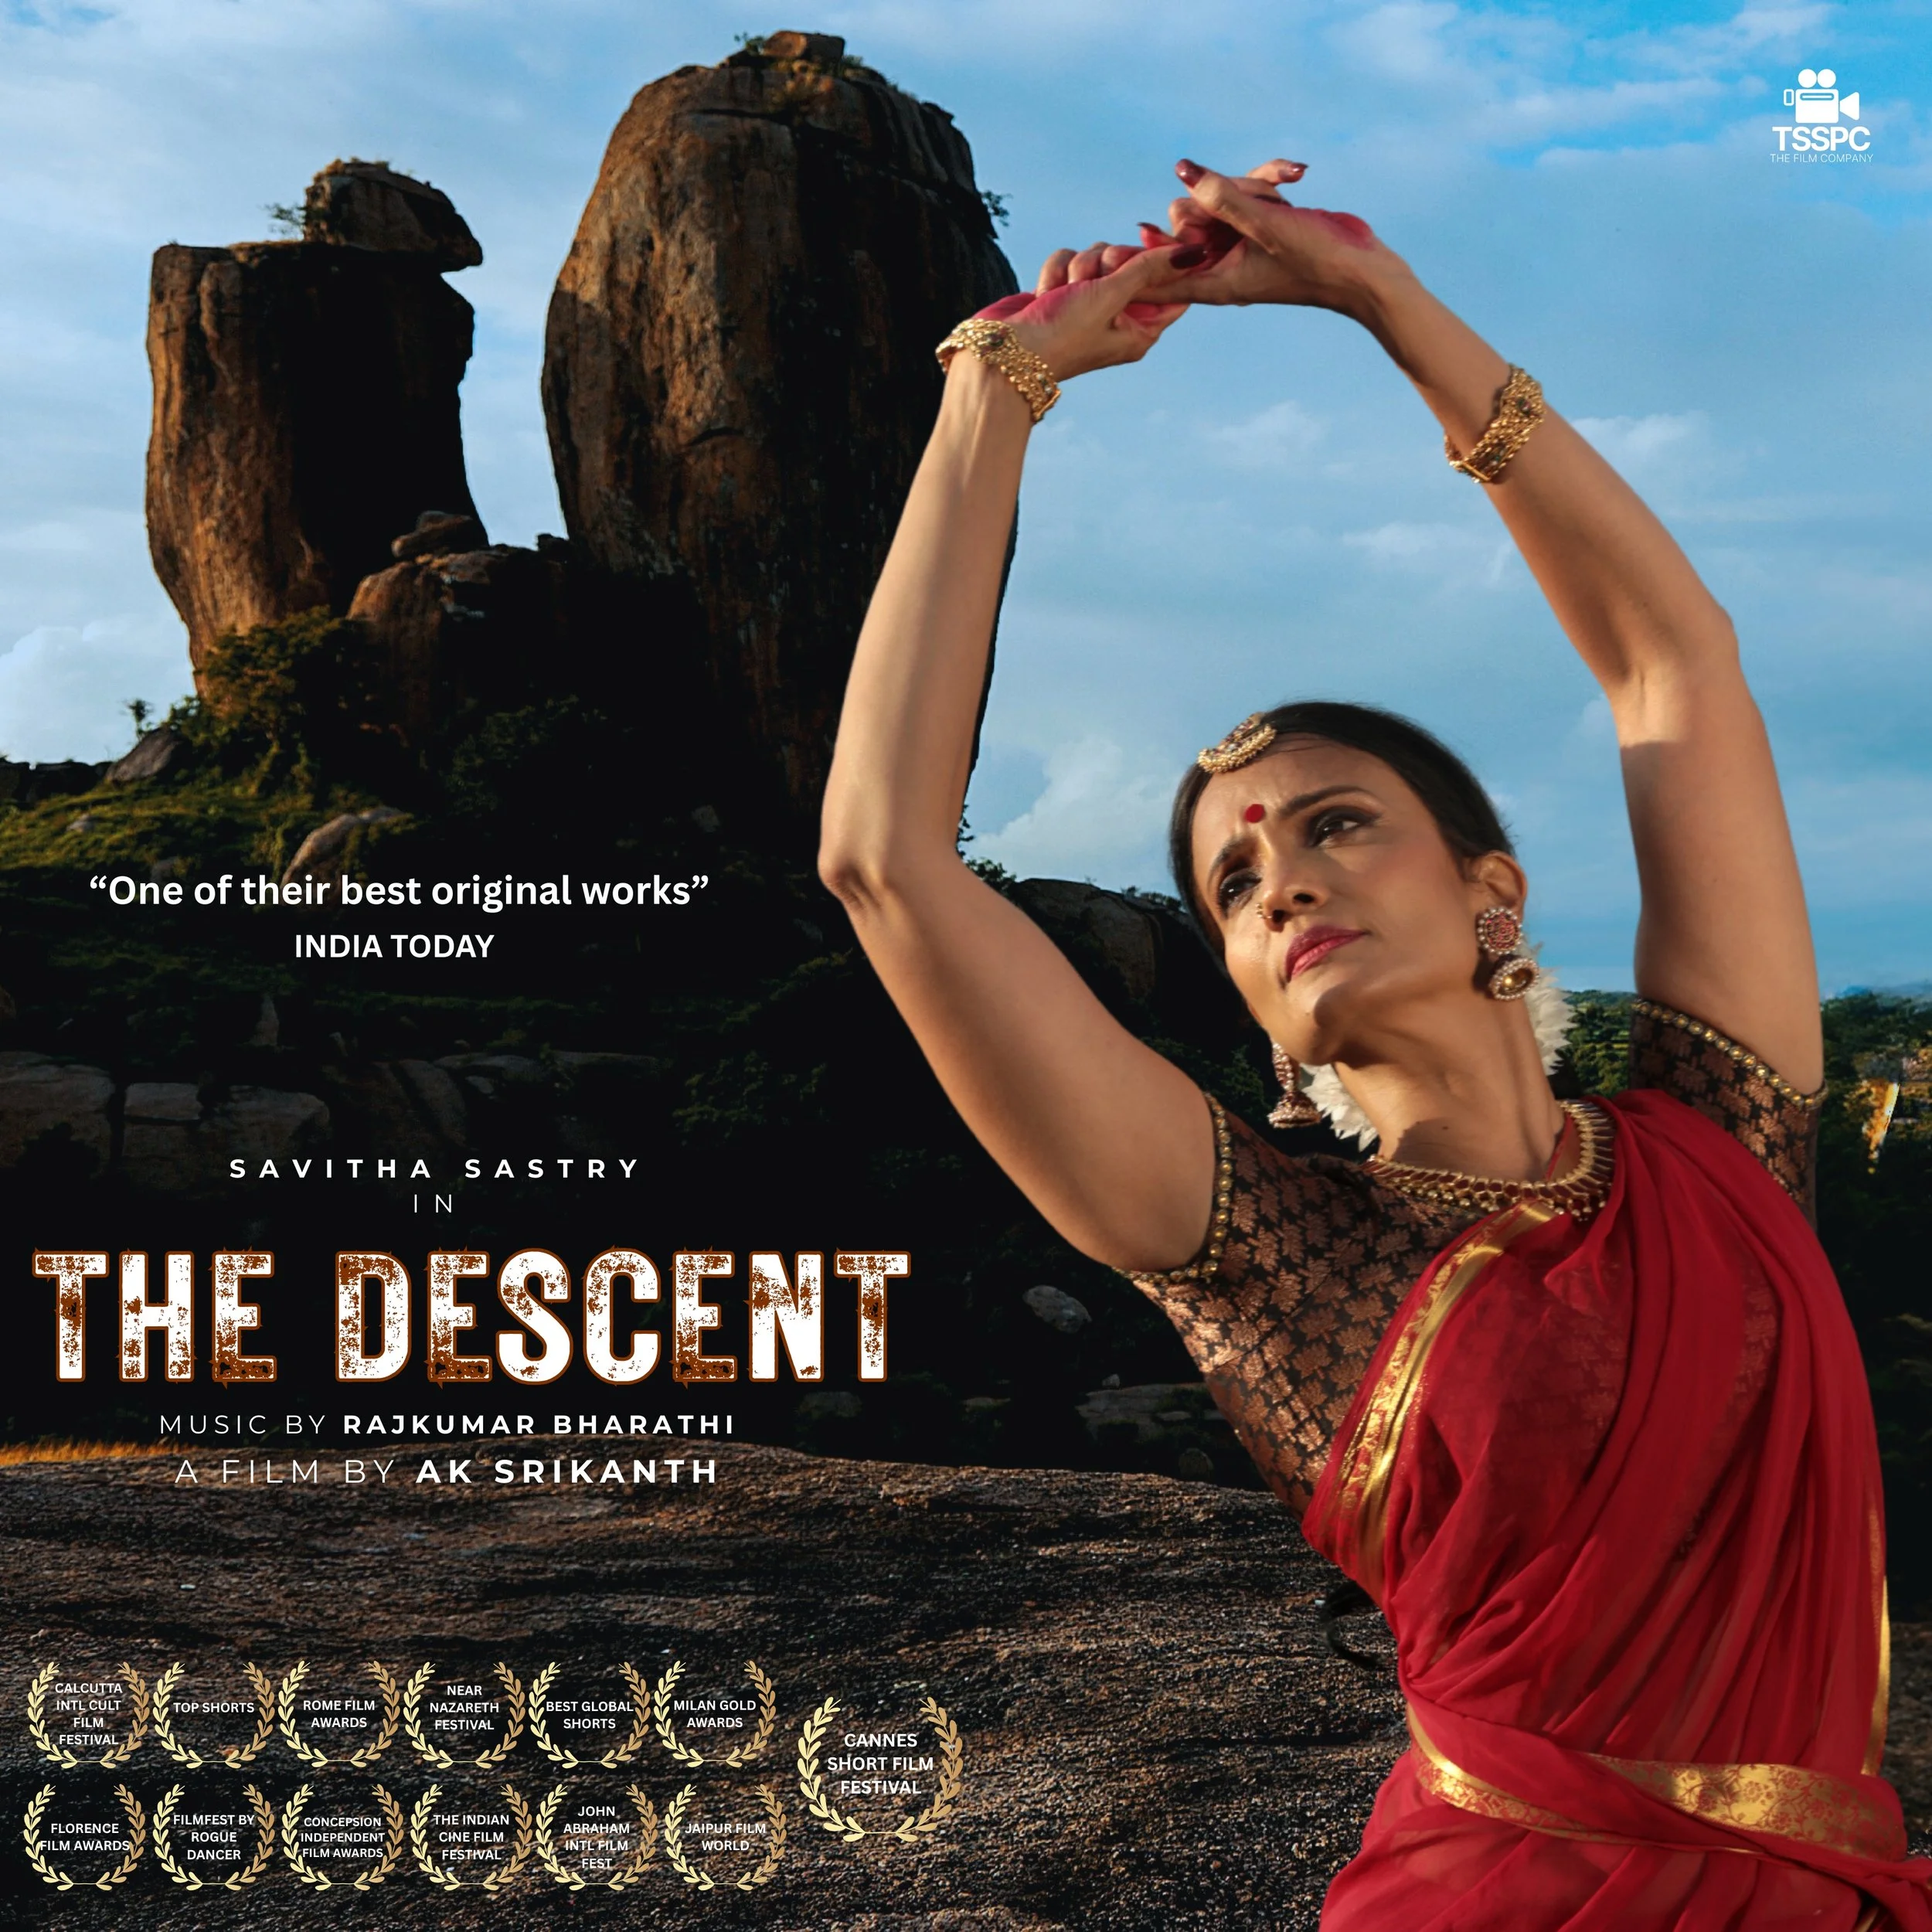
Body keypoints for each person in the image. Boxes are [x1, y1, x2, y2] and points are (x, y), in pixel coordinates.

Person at [818, 157, 1932, 1927]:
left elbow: (1674, 665)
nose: (1278, 881)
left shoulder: (1717, 1133)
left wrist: (1378, 300)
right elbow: (883, 863)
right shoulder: (1270, 1254)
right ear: (1249, 1002)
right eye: (1231, 878)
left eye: (1335, 822)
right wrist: (995, 390)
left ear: (1490, 888)